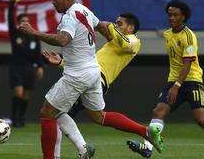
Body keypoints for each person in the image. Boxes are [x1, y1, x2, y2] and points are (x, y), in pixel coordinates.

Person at [18, 0, 163, 159]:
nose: (53, 2)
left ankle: (69, 152)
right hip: (93, 73)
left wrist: (34, 33)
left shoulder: (72, 15)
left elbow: (63, 40)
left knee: (48, 113)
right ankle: (145, 131)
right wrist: (63, 61)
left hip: (78, 76)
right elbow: (100, 26)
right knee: (99, 117)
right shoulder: (84, 10)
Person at [127, 0, 204, 159]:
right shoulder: (167, 34)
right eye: (169, 15)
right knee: (158, 111)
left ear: (183, 17)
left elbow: (188, 63)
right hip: (173, 80)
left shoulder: (189, 36)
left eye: (175, 15)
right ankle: (148, 148)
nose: (171, 18)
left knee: (200, 119)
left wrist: (177, 86)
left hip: (192, 81)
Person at [43, 12, 154, 158]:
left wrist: (107, 25)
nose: (115, 26)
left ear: (130, 28)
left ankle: (79, 150)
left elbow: (125, 43)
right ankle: (144, 131)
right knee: (92, 117)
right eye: (115, 23)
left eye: (119, 23)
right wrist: (61, 63)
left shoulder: (134, 40)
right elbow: (85, 66)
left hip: (95, 80)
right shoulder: (112, 43)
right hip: (89, 77)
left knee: (53, 113)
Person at [8, 0, 44, 128]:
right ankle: (14, 117)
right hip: (16, 68)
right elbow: (9, 19)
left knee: (27, 94)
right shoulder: (15, 34)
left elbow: (37, 54)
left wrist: (40, 67)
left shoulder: (34, 36)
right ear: (19, 23)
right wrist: (12, 3)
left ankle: (22, 117)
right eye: (23, 21)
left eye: (27, 21)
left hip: (29, 69)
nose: (25, 23)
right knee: (19, 92)